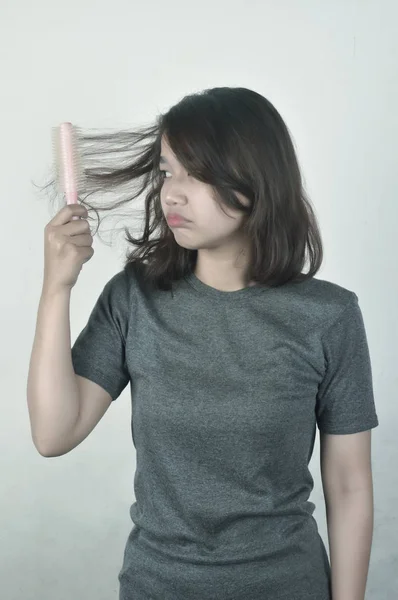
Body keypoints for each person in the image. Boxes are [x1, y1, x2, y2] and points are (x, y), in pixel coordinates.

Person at [27, 87, 379, 600]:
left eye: (198, 173)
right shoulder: (134, 299)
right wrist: (56, 287)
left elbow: (349, 487)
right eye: (169, 171)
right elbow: (53, 433)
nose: (172, 193)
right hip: (157, 586)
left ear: (256, 180)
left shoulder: (329, 315)